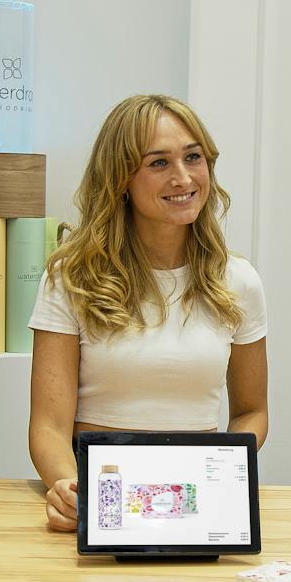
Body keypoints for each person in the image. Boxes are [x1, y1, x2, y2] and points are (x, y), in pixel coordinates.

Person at [28, 94, 268, 532]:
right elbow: (47, 426)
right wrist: (68, 487)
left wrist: (222, 479)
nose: (183, 177)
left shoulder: (240, 281)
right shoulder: (71, 277)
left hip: (196, 499)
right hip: (102, 493)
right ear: (120, 177)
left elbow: (252, 412)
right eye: (158, 163)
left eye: (193, 157)